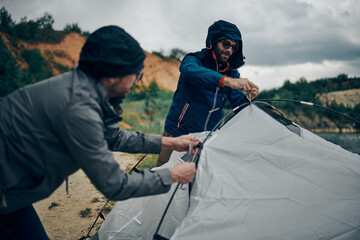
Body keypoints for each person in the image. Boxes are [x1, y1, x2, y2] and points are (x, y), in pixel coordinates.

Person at [0, 25, 200, 240]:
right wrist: (173, 175)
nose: (137, 82)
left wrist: (171, 143)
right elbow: (114, 185)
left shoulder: (81, 89)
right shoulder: (78, 108)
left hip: (12, 191)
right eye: (136, 74)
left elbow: (113, 137)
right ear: (114, 75)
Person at [155, 20, 259, 167]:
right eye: (226, 44)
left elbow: (238, 102)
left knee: (196, 180)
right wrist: (226, 81)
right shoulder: (194, 60)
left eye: (234, 47)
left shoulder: (232, 72)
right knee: (163, 173)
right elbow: (189, 71)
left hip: (209, 138)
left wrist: (248, 99)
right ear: (213, 41)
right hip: (177, 132)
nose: (229, 50)